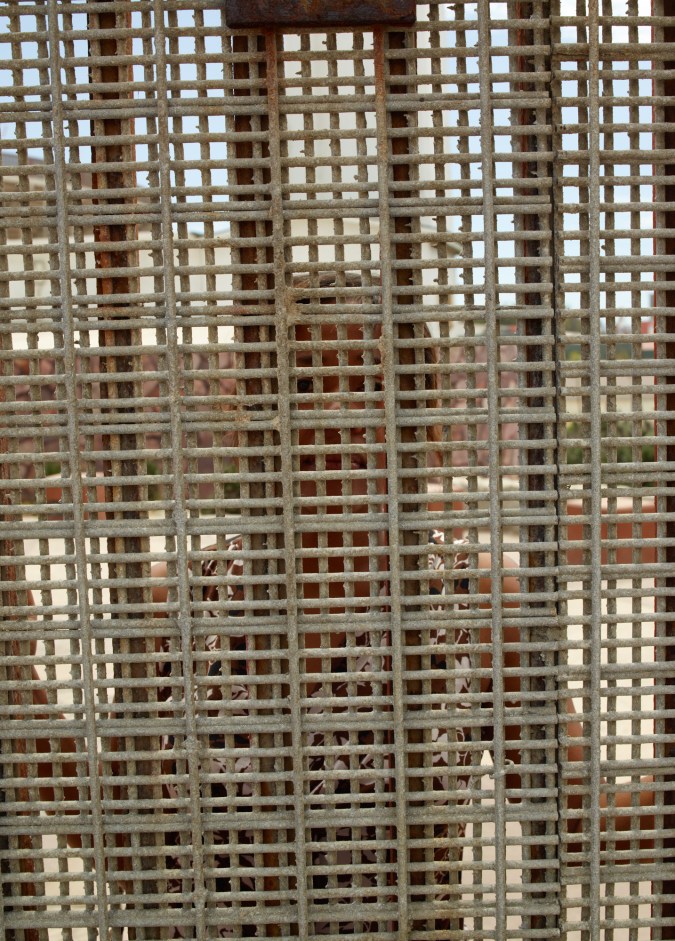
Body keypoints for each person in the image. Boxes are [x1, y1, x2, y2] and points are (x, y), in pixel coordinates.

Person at [29, 273, 654, 937]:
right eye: (304, 386)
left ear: (422, 415)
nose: (335, 418)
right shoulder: (178, 602)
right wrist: (21, 684)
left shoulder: (475, 605)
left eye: (369, 384)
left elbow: (580, 825)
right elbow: (132, 852)